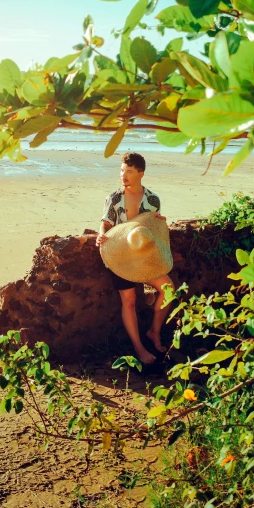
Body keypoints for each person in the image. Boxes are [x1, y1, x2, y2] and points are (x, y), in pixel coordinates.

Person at [96, 152, 174, 365]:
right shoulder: (113, 198)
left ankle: (154, 332)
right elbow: (106, 223)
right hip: (120, 256)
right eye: (122, 171)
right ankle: (139, 348)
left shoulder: (152, 199)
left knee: (168, 289)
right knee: (128, 301)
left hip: (144, 257)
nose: (124, 175)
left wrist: (161, 223)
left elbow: (153, 228)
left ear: (141, 173)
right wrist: (101, 232)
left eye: (129, 172)